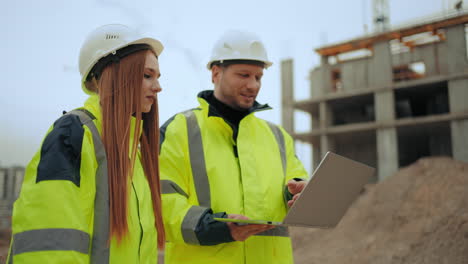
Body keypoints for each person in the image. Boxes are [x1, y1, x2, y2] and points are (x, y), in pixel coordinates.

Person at [7, 24, 165, 263]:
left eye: (157, 77)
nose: (158, 87)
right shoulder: (75, 134)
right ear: (111, 74)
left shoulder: (135, 153)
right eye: (146, 75)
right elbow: (51, 244)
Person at [159, 30, 308, 264]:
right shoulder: (179, 130)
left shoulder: (277, 136)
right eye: (244, 75)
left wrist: (298, 193)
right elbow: (162, 202)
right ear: (216, 73)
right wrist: (218, 228)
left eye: (258, 77)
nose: (253, 85)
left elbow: (296, 182)